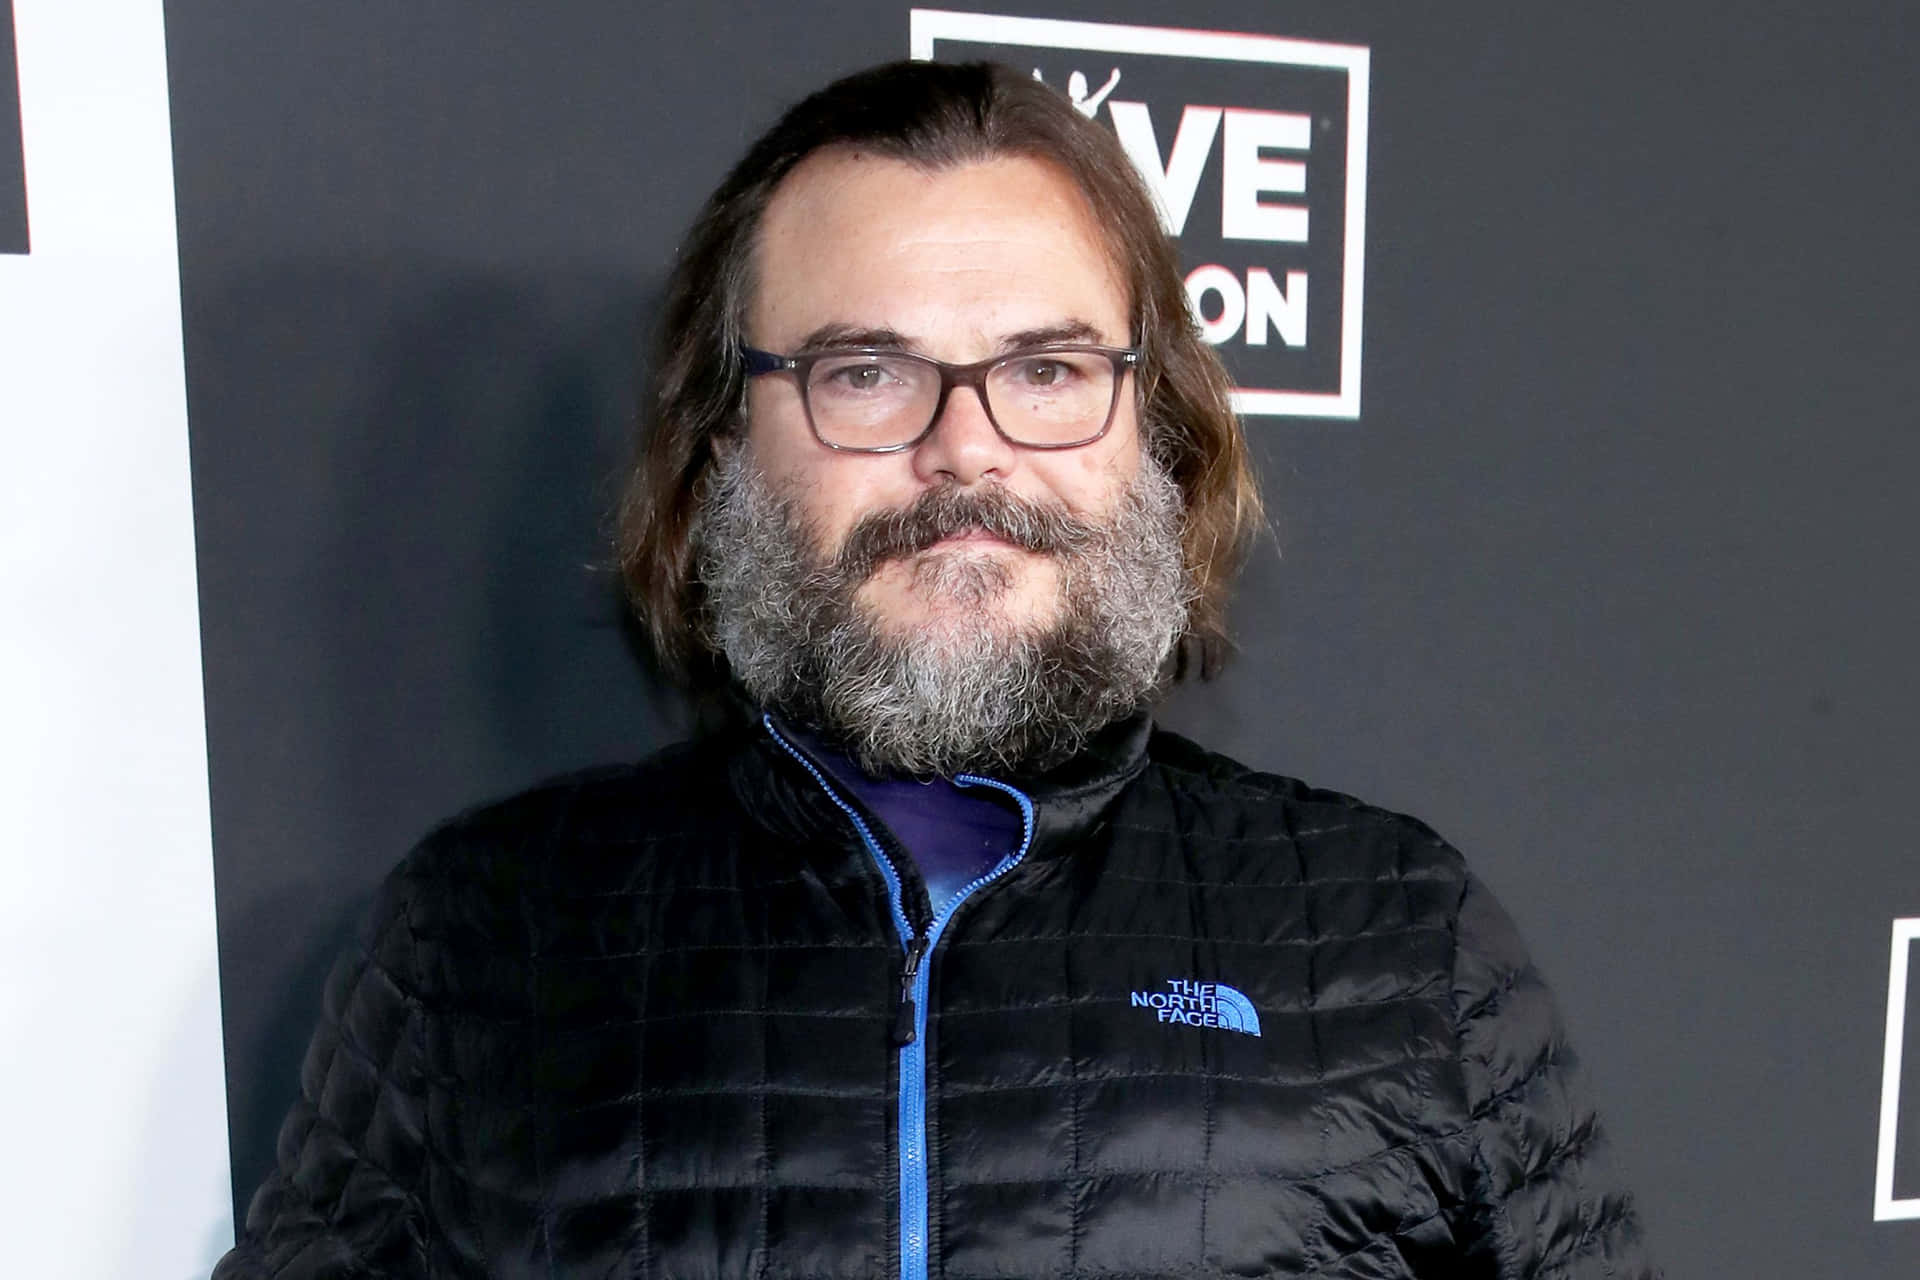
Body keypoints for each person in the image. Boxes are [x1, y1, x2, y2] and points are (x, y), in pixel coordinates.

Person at [215, 60, 1656, 1280]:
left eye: (1044, 370)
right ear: (726, 446)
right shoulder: (483, 940)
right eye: (866, 374)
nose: (965, 450)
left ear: (1150, 429)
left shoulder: (1396, 935)